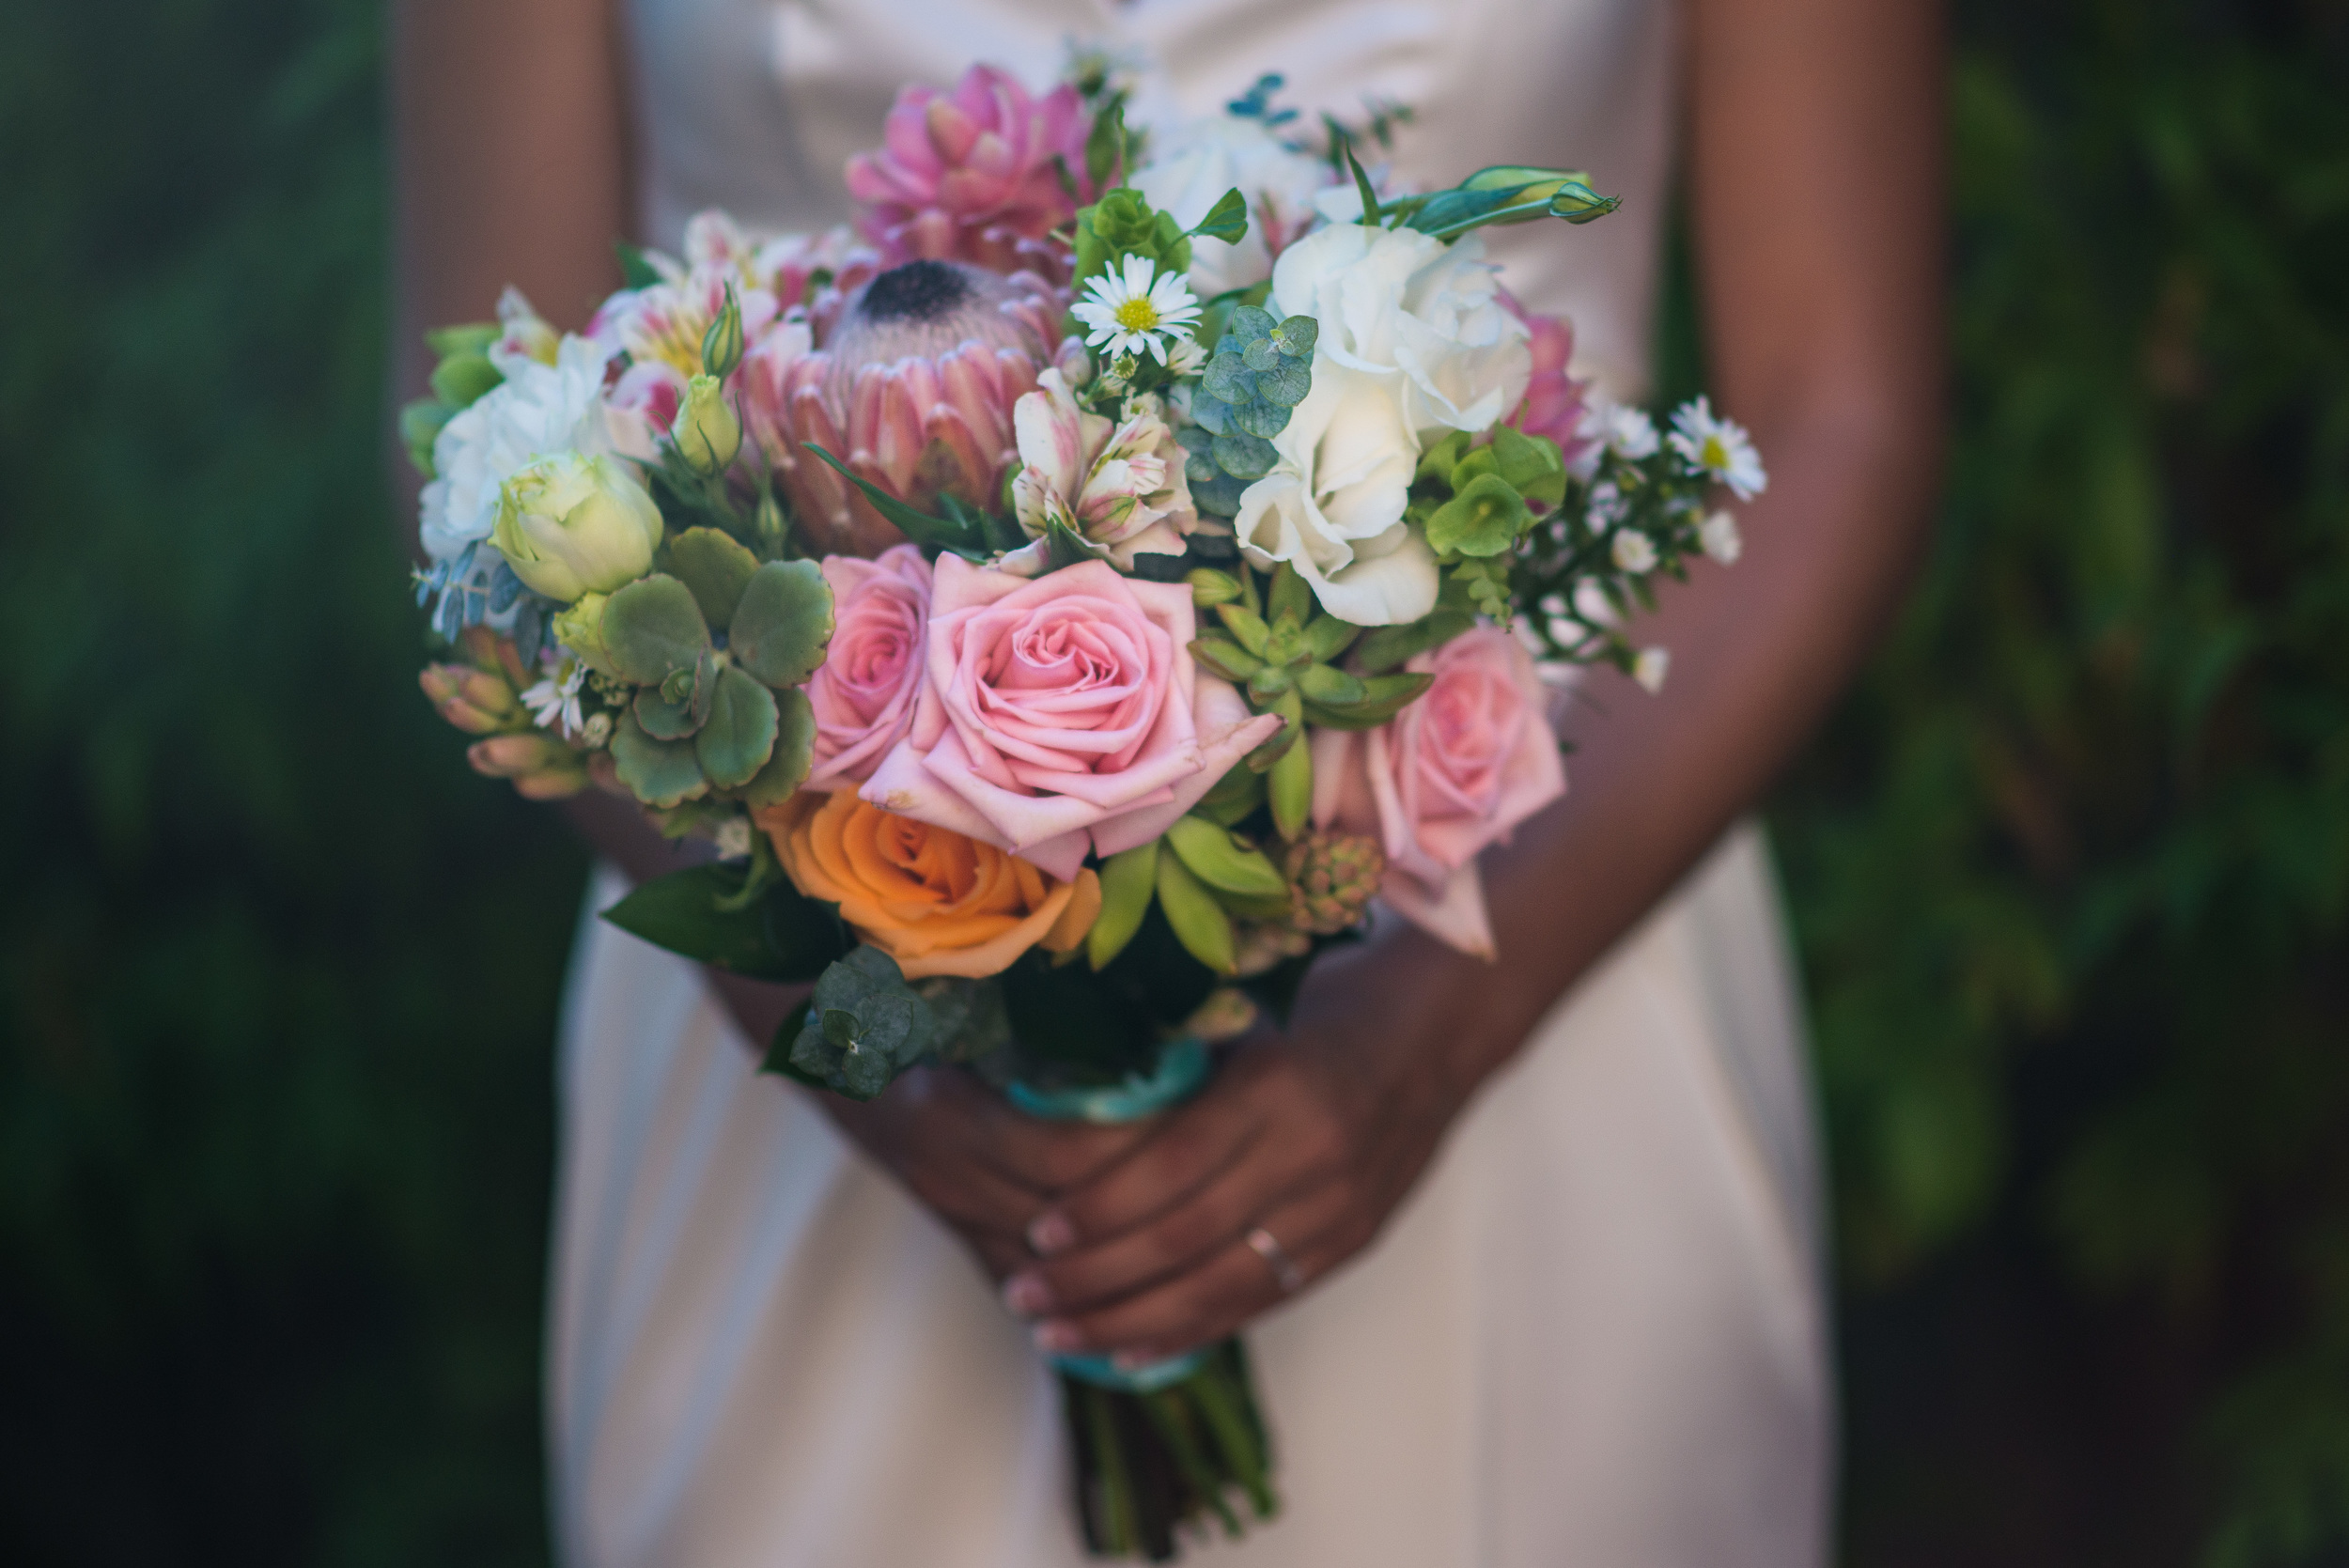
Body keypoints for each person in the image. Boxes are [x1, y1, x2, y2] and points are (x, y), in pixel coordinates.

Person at [394, 0, 1943, 1560]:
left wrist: (1429, 1034)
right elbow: (471, 445)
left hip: (1545, 903)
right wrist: (839, 1013)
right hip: (797, 1012)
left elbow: (1839, 413)